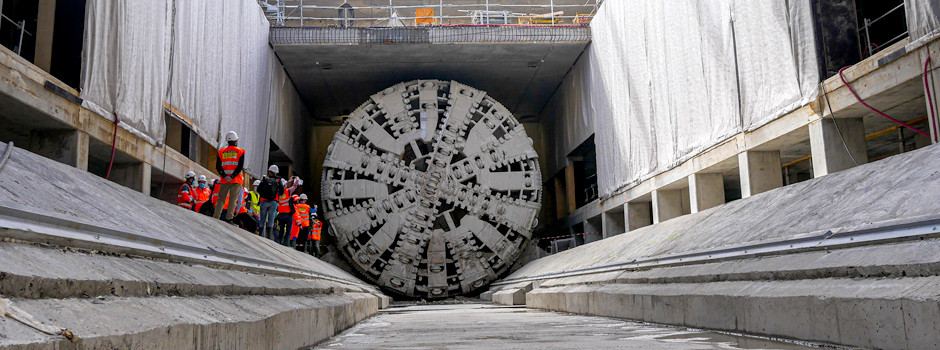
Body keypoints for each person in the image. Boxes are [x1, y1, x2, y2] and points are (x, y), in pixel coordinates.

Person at [213, 131, 245, 222]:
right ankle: (229, 218)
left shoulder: (221, 152)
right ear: (236, 141)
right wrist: (232, 176)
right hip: (236, 180)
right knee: (233, 200)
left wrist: (224, 176)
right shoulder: (240, 151)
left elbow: (218, 167)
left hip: (224, 180)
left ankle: (216, 216)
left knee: (221, 199)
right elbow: (240, 166)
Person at [256, 165, 284, 240]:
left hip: (263, 201)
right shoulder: (278, 180)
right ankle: (268, 237)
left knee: (262, 219)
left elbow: (258, 189)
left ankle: (261, 236)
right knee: (271, 220)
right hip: (273, 202)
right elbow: (282, 191)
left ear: (269, 171)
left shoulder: (265, 179)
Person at [274, 177, 300, 245]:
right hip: (288, 215)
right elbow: (294, 186)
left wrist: (288, 181)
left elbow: (283, 186)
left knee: (281, 230)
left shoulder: (277, 193)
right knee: (288, 230)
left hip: (280, 214)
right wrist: (297, 180)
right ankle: (286, 244)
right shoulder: (287, 191)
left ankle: (280, 243)